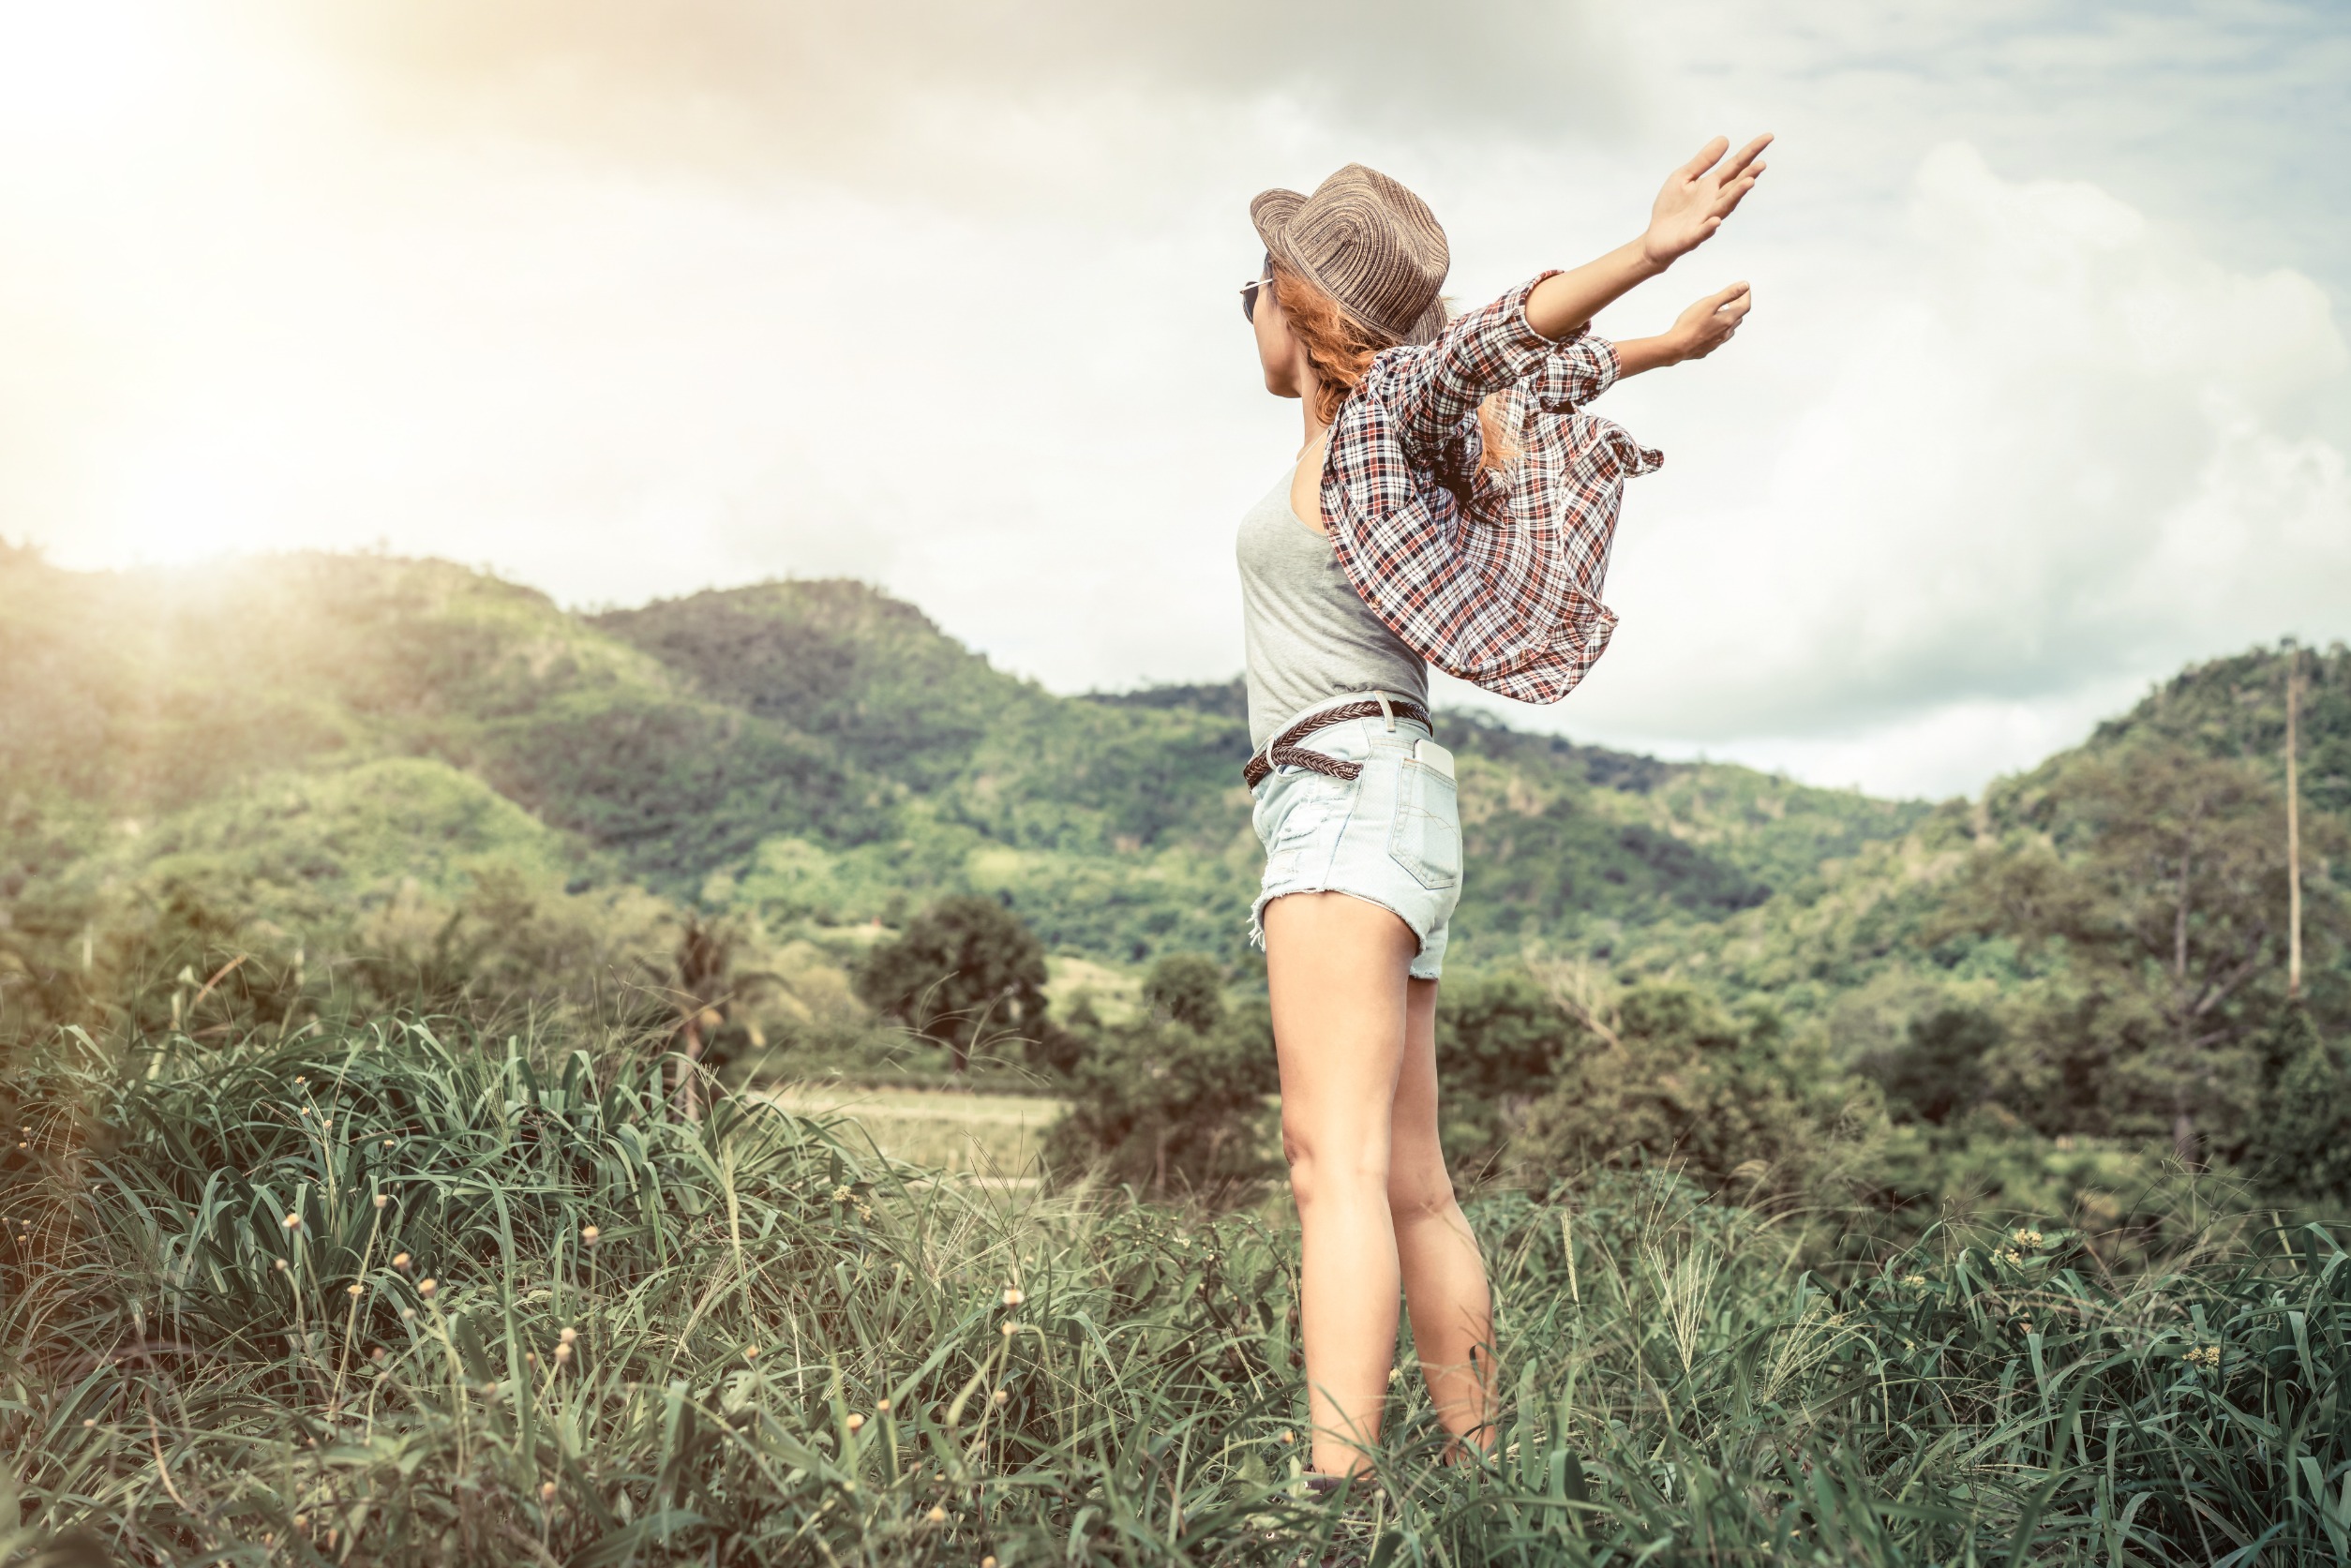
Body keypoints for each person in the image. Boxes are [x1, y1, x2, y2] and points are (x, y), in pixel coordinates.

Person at [1235, 135, 1770, 1486]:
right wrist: (1656, 345)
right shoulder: (1386, 445)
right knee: (1409, 1175)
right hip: (1386, 799)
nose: (1238, 313)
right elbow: (1523, 384)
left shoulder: (1373, 429)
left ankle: (1337, 1493)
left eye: (1247, 285)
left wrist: (1647, 252)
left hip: (1343, 802)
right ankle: (1485, 1483)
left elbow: (1487, 349)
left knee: (1331, 1169)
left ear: (1298, 307)